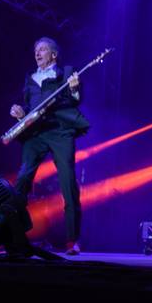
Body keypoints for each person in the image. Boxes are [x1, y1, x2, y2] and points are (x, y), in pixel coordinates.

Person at [10, 37, 91, 256]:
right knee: (23, 178)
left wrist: (74, 89)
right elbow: (29, 107)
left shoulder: (67, 72)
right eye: (36, 50)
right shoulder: (30, 77)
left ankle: (73, 240)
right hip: (36, 134)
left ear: (54, 55)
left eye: (42, 50)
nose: (37, 53)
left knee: (68, 181)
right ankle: (11, 233)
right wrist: (21, 114)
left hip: (60, 132)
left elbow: (76, 99)